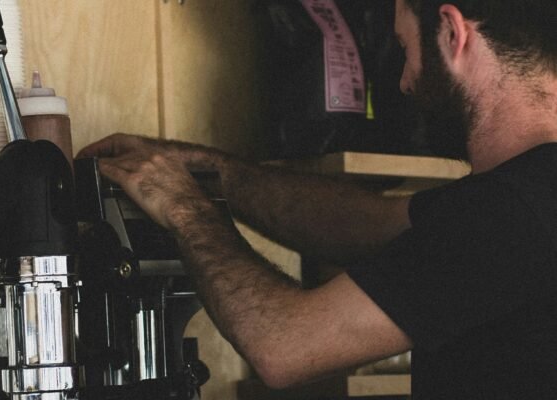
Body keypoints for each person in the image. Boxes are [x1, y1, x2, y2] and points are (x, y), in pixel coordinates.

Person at [77, 0, 557, 398]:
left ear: (452, 34)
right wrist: (205, 170)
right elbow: (363, 226)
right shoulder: (521, 194)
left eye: (404, 49)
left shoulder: (510, 212)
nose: (405, 82)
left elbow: (285, 346)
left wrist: (184, 207)